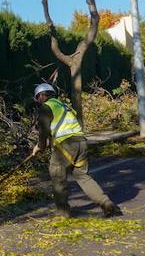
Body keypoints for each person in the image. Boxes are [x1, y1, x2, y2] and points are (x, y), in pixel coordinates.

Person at [31, 82, 123, 218]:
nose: (38, 101)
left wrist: (39, 147)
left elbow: (43, 132)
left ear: (41, 96)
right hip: (81, 143)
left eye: (38, 97)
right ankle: (107, 204)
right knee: (83, 176)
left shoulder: (46, 108)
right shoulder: (63, 105)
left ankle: (63, 213)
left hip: (65, 145)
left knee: (58, 177)